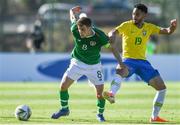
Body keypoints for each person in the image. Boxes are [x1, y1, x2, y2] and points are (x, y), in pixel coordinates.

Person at [103, 3, 177, 123]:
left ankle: (154, 117)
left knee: (162, 88)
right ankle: (111, 93)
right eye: (133, 14)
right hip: (129, 60)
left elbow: (167, 31)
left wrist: (172, 27)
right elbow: (114, 31)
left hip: (143, 63)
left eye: (137, 14)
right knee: (121, 69)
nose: (134, 16)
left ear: (144, 15)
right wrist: (112, 35)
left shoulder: (149, 27)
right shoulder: (127, 25)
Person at [51, 6, 123, 122]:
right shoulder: (75, 29)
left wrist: (121, 63)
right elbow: (73, 18)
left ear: (90, 28)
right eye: (79, 29)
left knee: (100, 94)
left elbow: (112, 48)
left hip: (94, 67)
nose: (80, 32)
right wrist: (71, 11)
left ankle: (100, 114)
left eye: (83, 29)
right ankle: (64, 109)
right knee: (63, 87)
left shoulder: (100, 36)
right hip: (77, 63)